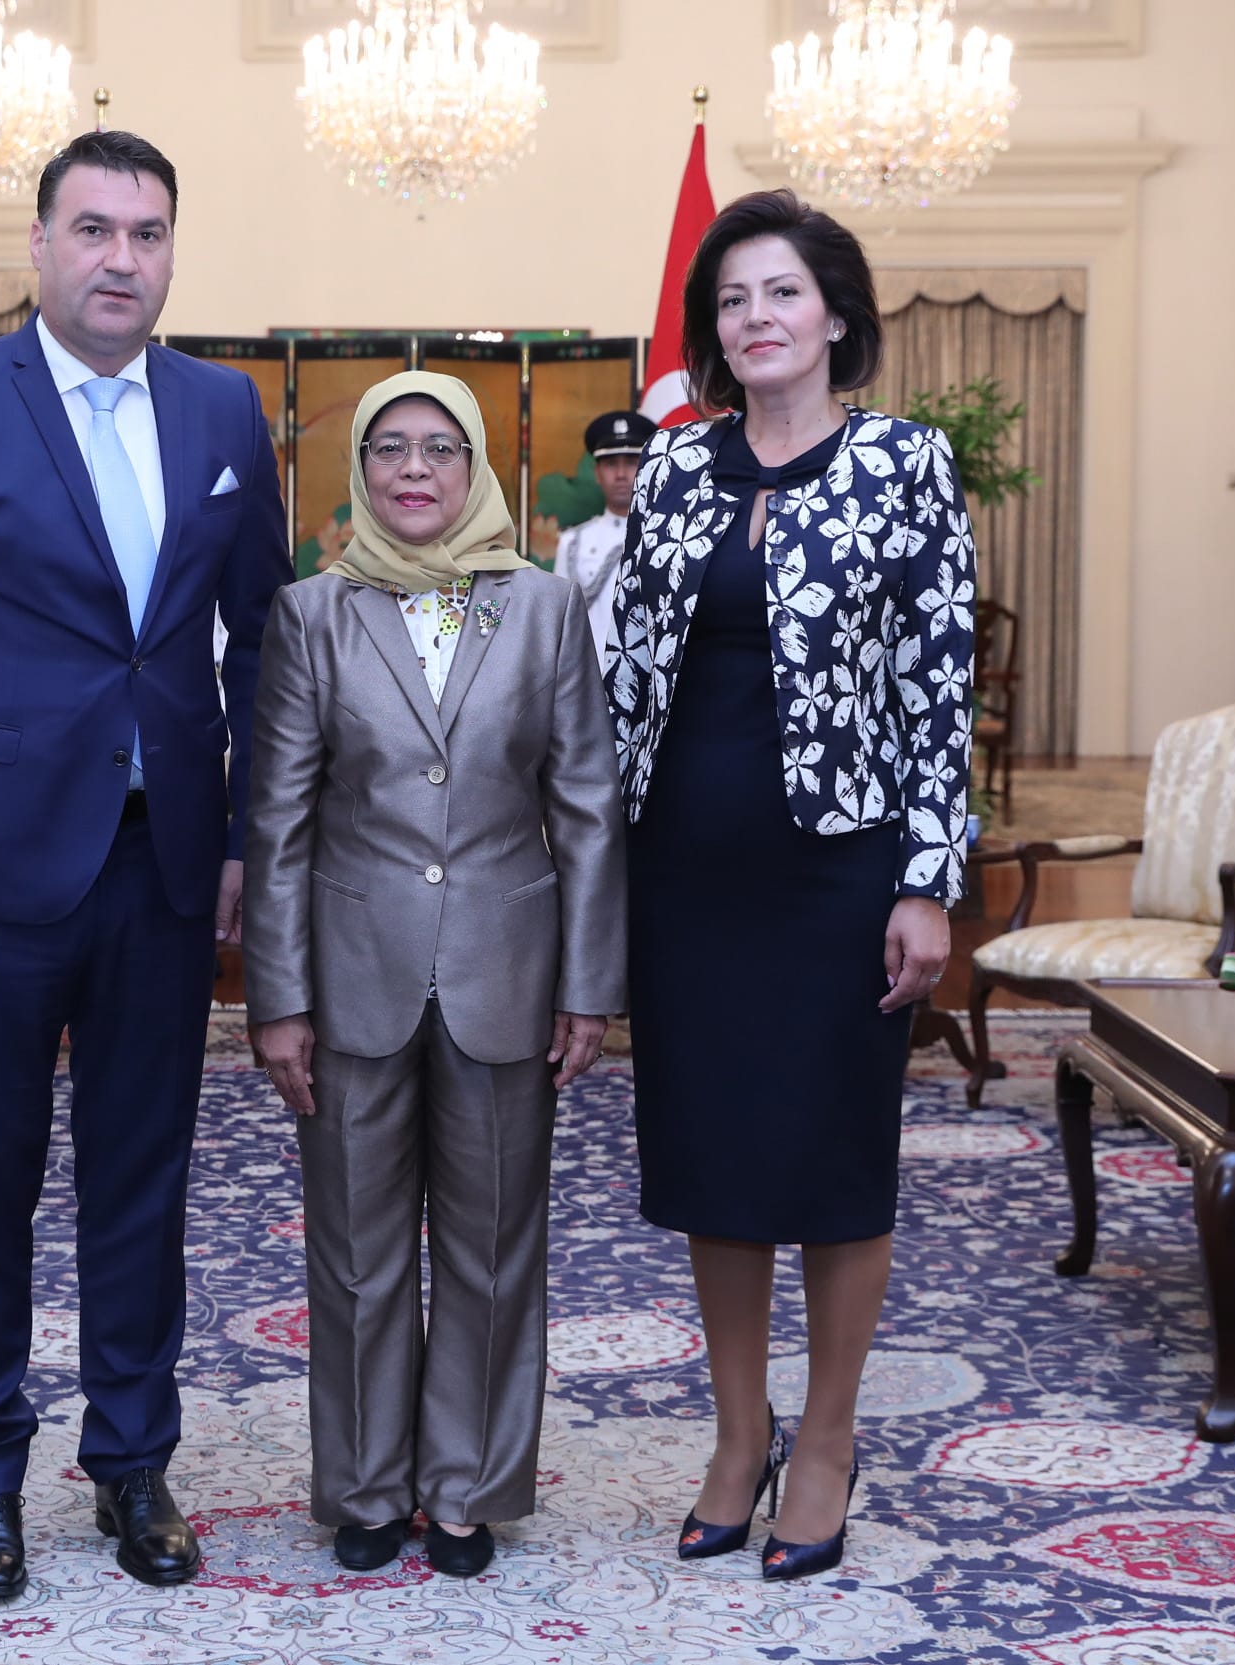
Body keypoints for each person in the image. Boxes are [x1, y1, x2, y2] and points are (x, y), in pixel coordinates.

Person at [0, 129, 292, 1602]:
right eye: (91, 229)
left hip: (163, 870)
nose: (119, 258)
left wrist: (234, 849)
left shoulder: (224, 412)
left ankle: (133, 1460)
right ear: (37, 248)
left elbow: (262, 649)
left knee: (143, 1179)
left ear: (171, 252)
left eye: (146, 234)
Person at [604, 189, 975, 1581]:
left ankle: (824, 1439)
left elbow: (938, 692)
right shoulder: (681, 468)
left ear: (833, 315)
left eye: (777, 294)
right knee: (713, 1158)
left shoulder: (902, 466)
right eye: (729, 301)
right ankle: (734, 1431)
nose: (751, 320)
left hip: (837, 872)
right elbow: (623, 677)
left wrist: (926, 880)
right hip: (683, 868)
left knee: (827, 1159)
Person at [241, 371, 625, 1580]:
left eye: (440, 449)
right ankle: (364, 1485)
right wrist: (279, 1000)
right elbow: (281, 823)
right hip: (352, 978)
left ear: (476, 470)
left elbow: (591, 811)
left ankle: (466, 1489)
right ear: (359, 470)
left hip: (507, 973)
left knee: (494, 1247)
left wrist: (589, 985)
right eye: (391, 449)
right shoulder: (311, 613)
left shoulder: (548, 608)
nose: (415, 470)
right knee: (356, 1250)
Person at [555, 408, 651, 671]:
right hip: (589, 679)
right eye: (611, 464)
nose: (621, 474)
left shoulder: (665, 538)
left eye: (631, 462)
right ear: (597, 473)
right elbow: (561, 623)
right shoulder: (573, 542)